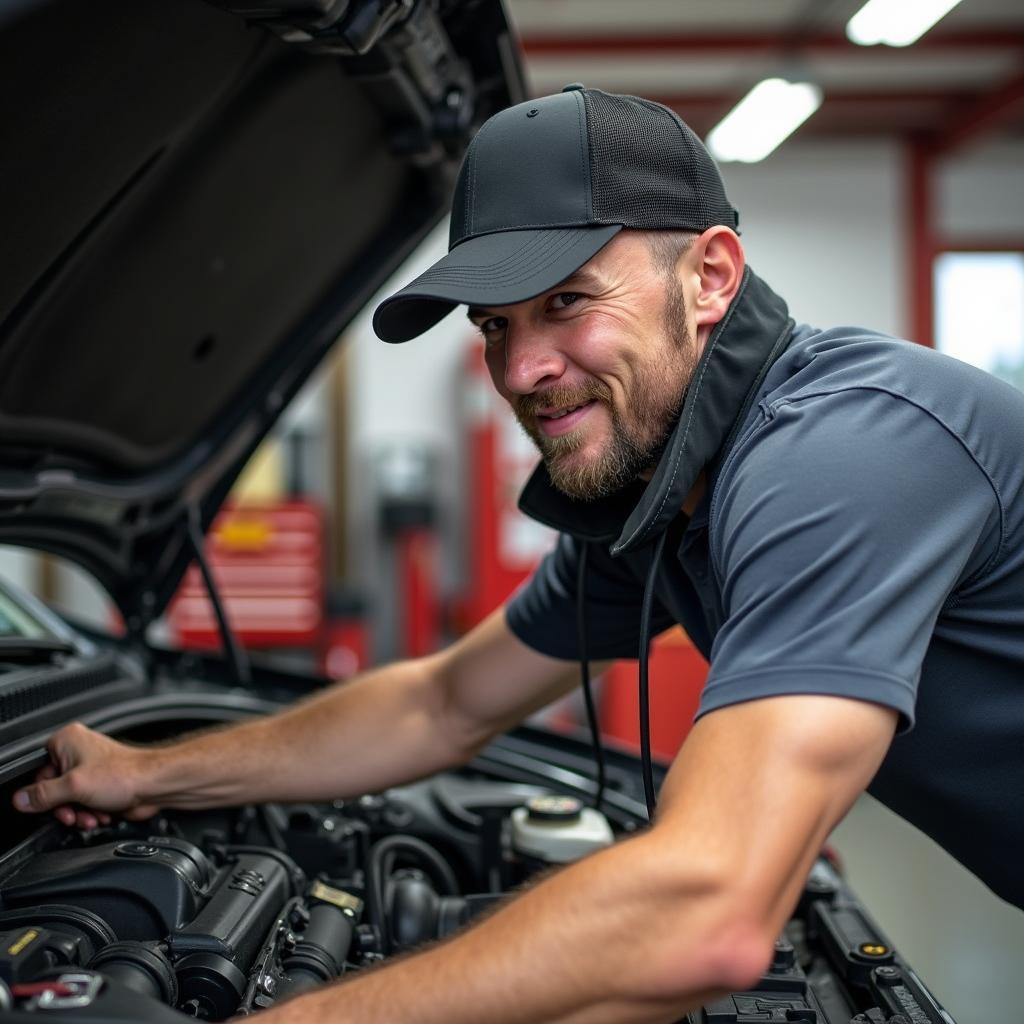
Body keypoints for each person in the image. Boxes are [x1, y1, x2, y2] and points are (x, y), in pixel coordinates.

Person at [13, 86, 1024, 1023]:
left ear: (710, 276)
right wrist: (147, 774)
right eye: (494, 324)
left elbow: (707, 907)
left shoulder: (844, 448)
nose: (520, 369)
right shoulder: (666, 487)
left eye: (567, 302)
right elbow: (442, 702)